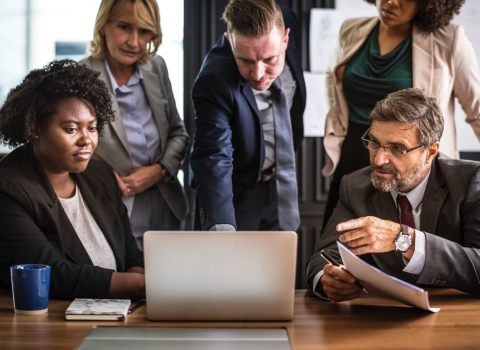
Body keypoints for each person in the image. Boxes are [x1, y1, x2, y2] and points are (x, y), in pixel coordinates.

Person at [307, 88, 480, 300]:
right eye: (374, 143)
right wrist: (326, 279)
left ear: (430, 152)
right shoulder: (354, 186)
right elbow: (324, 256)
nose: (379, 160)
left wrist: (404, 239)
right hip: (384, 316)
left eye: (397, 148)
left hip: (458, 316)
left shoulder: (469, 182)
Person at [321, 0, 480, 229]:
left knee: (412, 247)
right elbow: (332, 77)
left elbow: (477, 111)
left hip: (411, 161)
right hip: (355, 153)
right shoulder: (352, 29)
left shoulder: (449, 39)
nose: (391, 2)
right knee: (340, 242)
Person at [0, 59, 145, 300]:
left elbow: (130, 254)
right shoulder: (8, 190)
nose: (86, 140)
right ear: (35, 128)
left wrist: (139, 289)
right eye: (71, 129)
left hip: (119, 315)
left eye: (92, 128)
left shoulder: (101, 175)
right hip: (49, 325)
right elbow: (53, 276)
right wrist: (141, 287)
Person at [80, 0, 189, 250]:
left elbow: (178, 133)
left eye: (144, 31)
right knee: (132, 286)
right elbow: (70, 149)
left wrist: (159, 170)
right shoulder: (83, 75)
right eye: (124, 27)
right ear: (103, 25)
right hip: (114, 206)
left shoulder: (157, 66)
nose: (135, 42)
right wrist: (106, 177)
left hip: (168, 204)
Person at [190, 0, 306, 231]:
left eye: (270, 59)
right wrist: (221, 224)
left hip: (280, 186)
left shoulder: (286, 19)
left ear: (285, 38)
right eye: (245, 60)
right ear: (229, 39)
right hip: (236, 195)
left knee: (278, 265)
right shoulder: (214, 80)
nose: (258, 74)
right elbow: (214, 155)